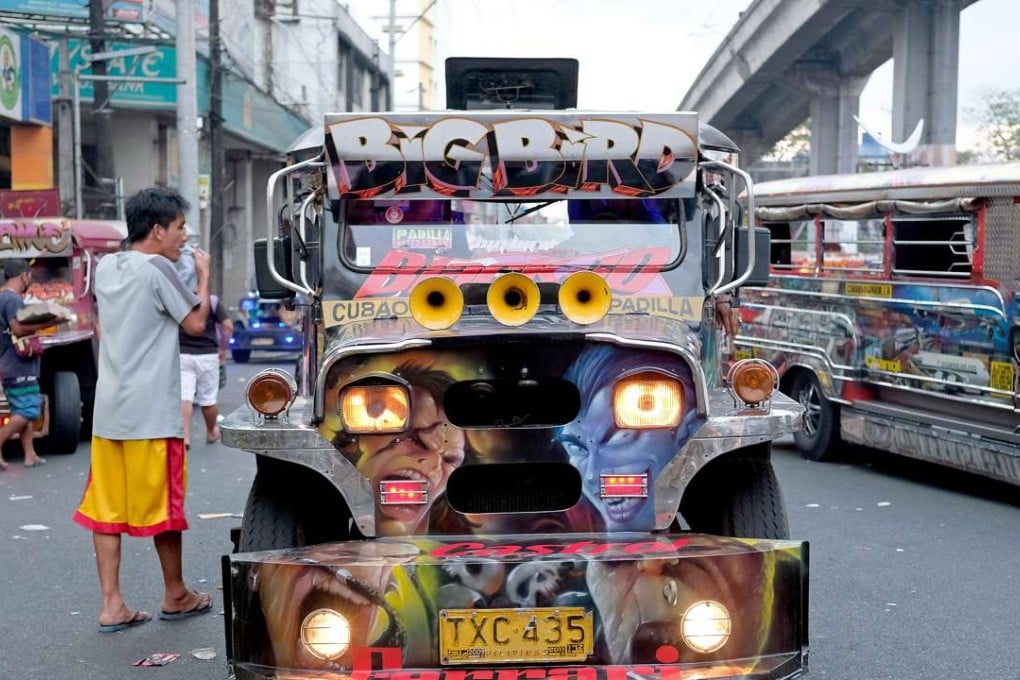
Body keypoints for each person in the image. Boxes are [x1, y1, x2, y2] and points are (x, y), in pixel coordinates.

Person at [71, 186, 214, 633]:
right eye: (178, 228)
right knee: (164, 509)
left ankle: (112, 604)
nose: (183, 237)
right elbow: (195, 322)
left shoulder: (108, 266)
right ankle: (176, 594)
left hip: (110, 411)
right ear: (157, 229)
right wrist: (203, 274)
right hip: (153, 412)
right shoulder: (159, 268)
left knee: (106, 509)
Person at [0, 259, 62, 469]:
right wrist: (47, 323)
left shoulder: (4, 297)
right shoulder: (11, 299)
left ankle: (30, 454)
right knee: (28, 410)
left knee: (22, 408)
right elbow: (17, 329)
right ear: (24, 276)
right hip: (18, 364)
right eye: (30, 277)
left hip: (11, 364)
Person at [176, 247, 233, 448]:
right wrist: (223, 348)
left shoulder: (177, 298)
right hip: (208, 355)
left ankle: (185, 437)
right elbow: (228, 326)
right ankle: (210, 432)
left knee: (185, 398)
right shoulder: (213, 301)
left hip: (182, 354)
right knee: (208, 399)